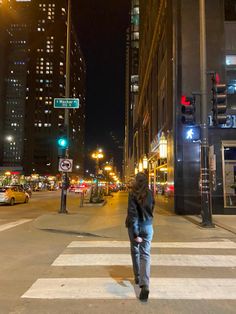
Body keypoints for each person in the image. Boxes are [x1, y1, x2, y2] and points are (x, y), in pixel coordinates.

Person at [125, 172, 155, 302]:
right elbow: (152, 208)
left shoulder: (132, 193)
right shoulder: (150, 193)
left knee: (135, 251)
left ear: (137, 181)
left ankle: (137, 277)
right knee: (145, 254)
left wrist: (136, 233)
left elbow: (133, 215)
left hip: (135, 227)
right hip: (148, 226)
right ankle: (145, 284)